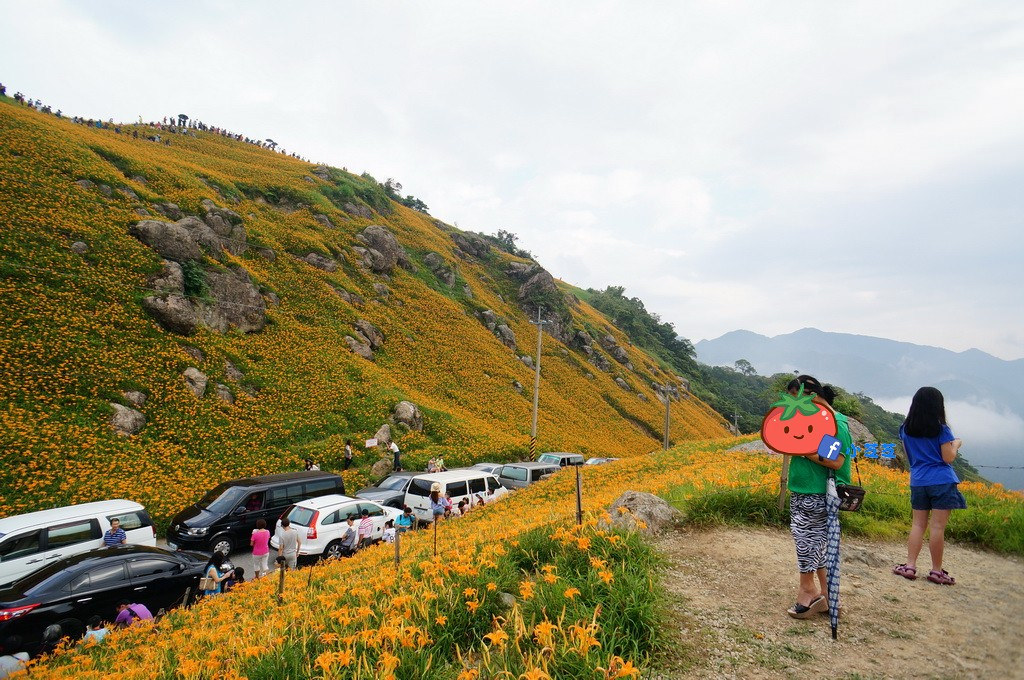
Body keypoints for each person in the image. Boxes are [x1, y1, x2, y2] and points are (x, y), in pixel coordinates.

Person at [782, 375, 852, 619]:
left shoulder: (833, 422)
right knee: (817, 544)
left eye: (796, 399)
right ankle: (829, 596)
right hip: (806, 490)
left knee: (805, 542)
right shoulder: (817, 420)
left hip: (817, 492)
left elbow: (835, 460)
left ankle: (808, 591)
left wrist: (798, 447)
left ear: (811, 396)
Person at [893, 387, 966, 585]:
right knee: (937, 527)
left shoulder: (905, 429)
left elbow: (910, 457)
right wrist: (956, 444)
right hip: (942, 480)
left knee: (918, 524)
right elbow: (948, 457)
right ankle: (935, 571)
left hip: (918, 480)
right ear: (938, 406)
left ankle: (910, 566)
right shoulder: (941, 429)